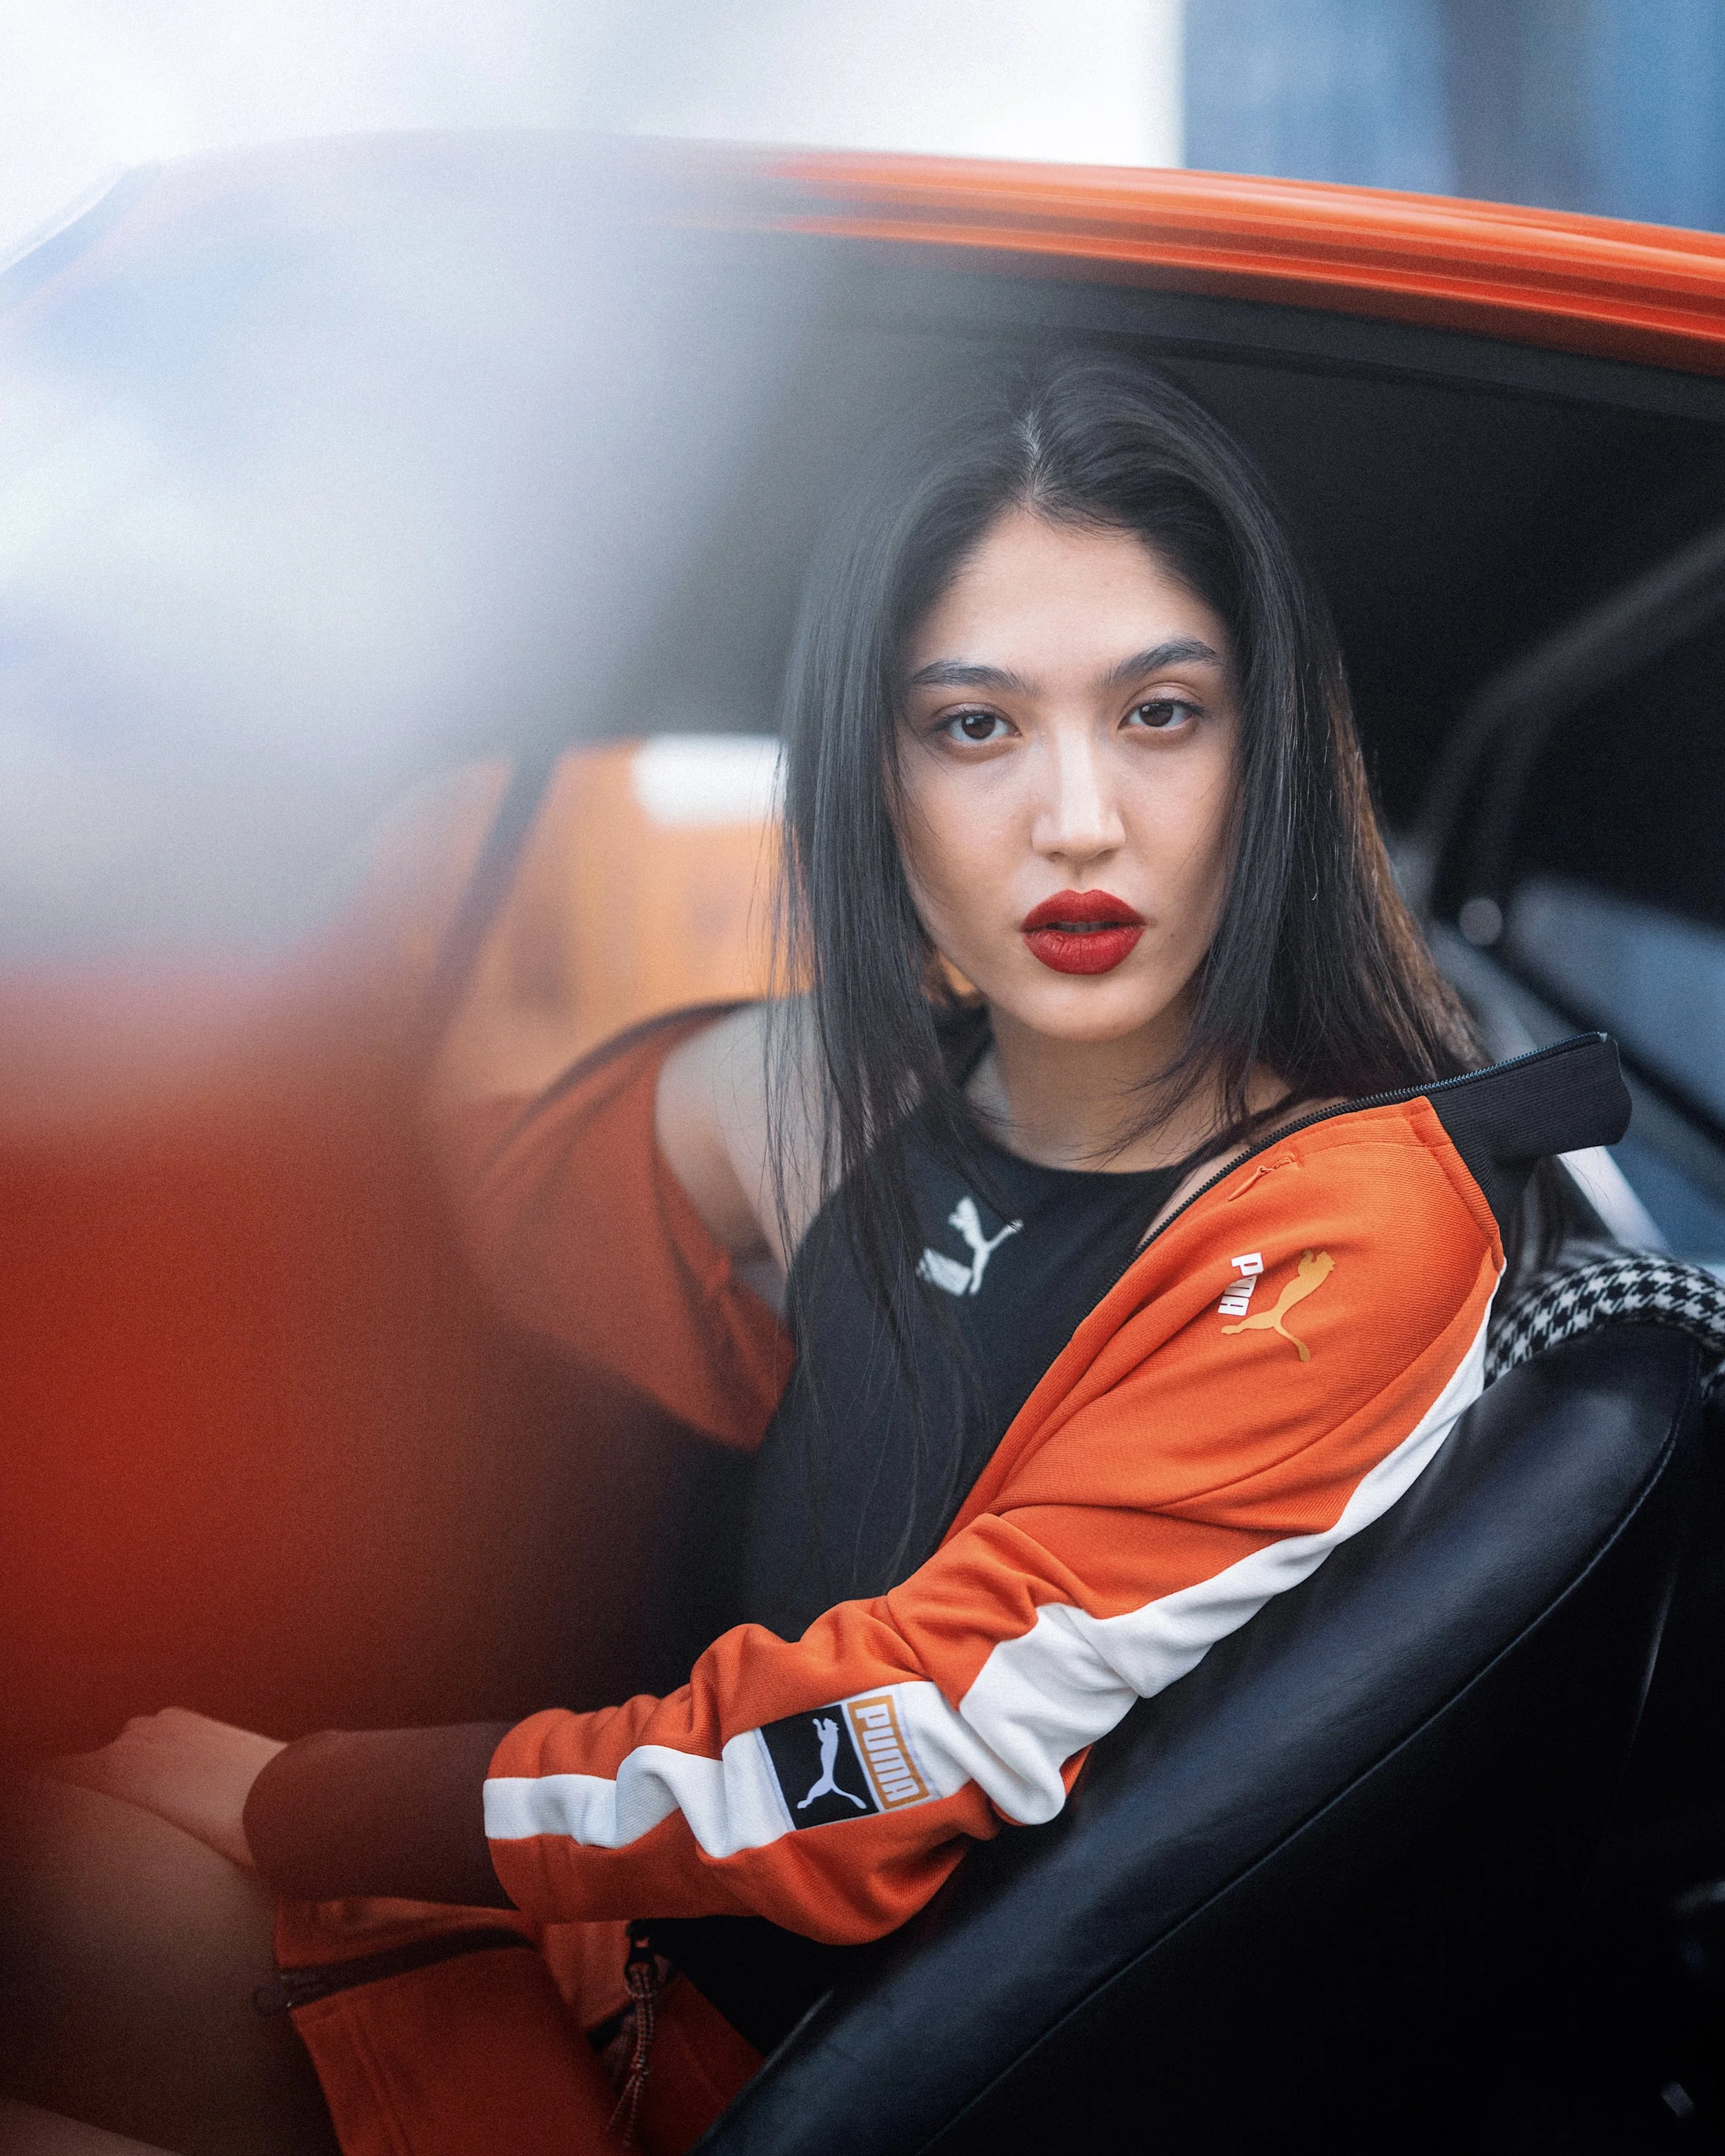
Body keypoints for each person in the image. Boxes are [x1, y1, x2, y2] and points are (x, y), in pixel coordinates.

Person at [0, 359, 1619, 2155]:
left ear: (1274, 761)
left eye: (1160, 714)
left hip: (782, 2102)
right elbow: (396, 1267)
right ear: (876, 780)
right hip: (615, 1979)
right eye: (975, 727)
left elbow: (888, 1750)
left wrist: (303, 1797)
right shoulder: (838, 1108)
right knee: (47, 1846)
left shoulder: (1341, 1228)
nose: (1076, 817)